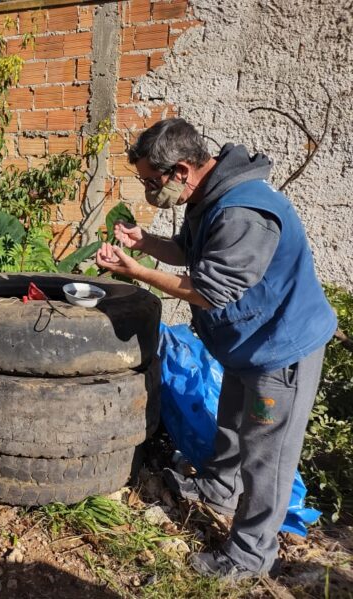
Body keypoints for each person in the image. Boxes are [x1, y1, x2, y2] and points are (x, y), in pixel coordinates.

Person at [95, 118, 337, 580]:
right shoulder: (209, 198)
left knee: (269, 455)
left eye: (151, 180)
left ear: (182, 170)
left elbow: (210, 291)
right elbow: (190, 251)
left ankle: (247, 556)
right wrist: (144, 242)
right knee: (231, 423)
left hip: (281, 350)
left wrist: (138, 271)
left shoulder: (242, 212)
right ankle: (219, 489)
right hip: (248, 344)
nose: (148, 189)